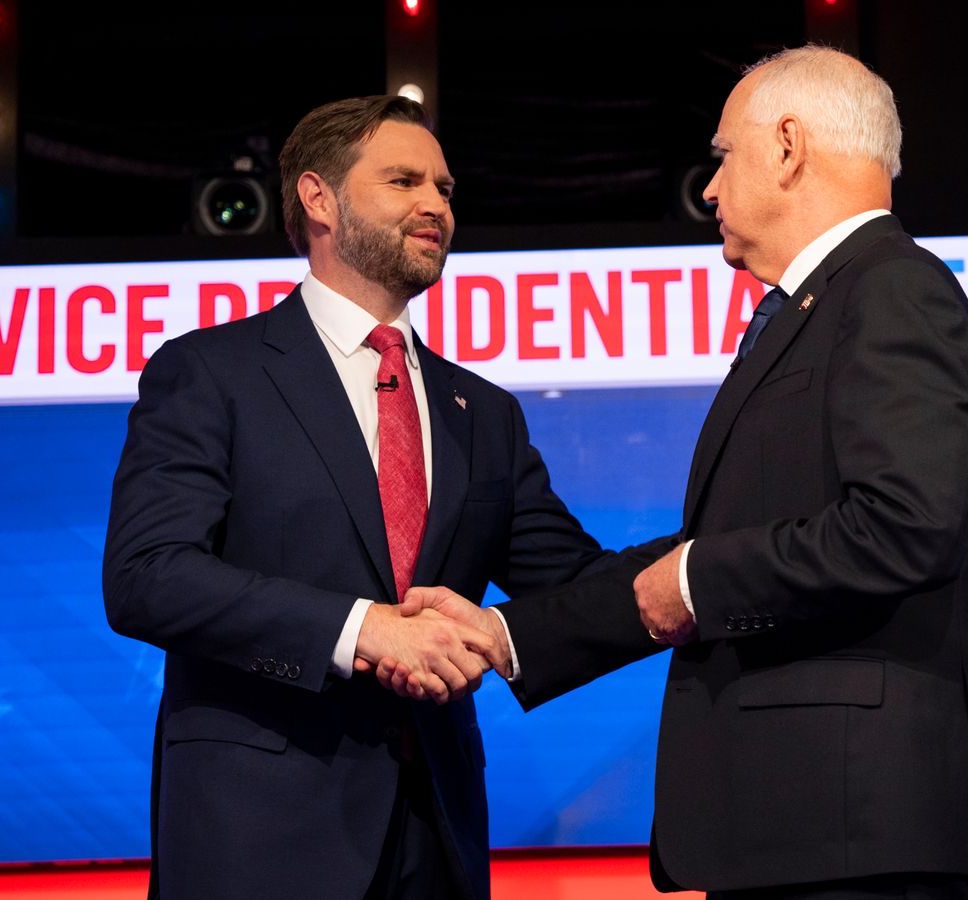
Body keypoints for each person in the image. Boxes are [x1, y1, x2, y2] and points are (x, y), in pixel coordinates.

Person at [385, 47, 968, 899]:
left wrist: (696, 579)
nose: (711, 189)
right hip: (812, 830)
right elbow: (713, 548)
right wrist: (507, 635)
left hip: (861, 834)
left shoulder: (892, 290)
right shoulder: (826, 302)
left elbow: (903, 526)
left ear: (789, 146)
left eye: (724, 156)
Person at [102, 95, 604, 900]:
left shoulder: (485, 414)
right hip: (255, 840)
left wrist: (708, 565)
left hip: (435, 837)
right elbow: (146, 577)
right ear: (318, 198)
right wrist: (361, 630)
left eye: (444, 188)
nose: (435, 205)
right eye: (404, 180)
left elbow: (579, 586)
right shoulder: (211, 373)